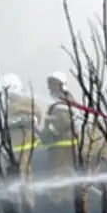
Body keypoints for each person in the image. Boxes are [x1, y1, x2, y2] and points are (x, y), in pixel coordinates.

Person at [0, 73, 42, 213]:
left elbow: (35, 119)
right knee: (16, 182)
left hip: (20, 151)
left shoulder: (22, 104)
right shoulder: (15, 104)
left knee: (22, 182)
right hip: (14, 150)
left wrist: (17, 122)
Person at [39, 71, 80, 205]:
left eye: (52, 84)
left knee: (62, 173)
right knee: (58, 173)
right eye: (49, 84)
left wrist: (50, 131)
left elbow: (65, 121)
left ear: (61, 85)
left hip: (63, 145)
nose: (49, 87)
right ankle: (60, 199)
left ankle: (63, 202)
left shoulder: (64, 99)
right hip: (58, 144)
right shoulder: (58, 100)